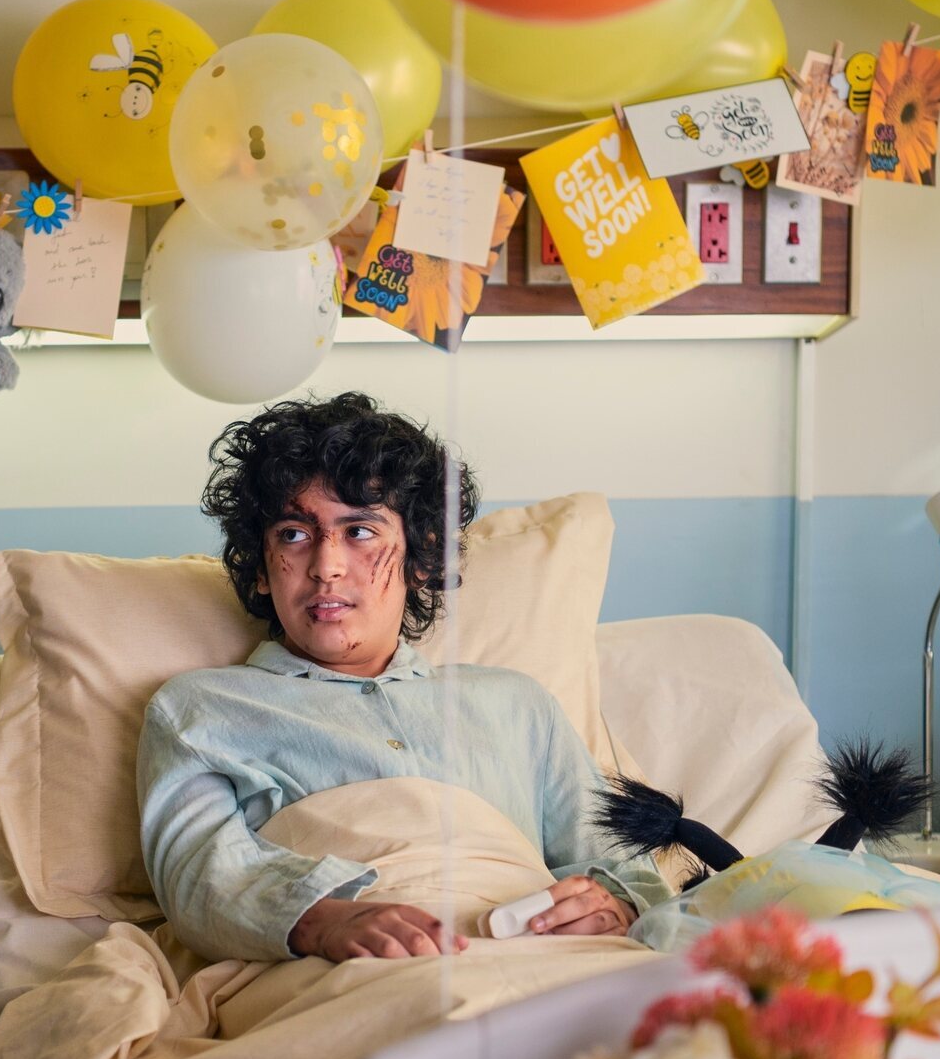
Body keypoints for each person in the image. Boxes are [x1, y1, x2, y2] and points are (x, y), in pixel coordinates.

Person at [137, 393, 667, 964]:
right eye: (293, 534)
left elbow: (626, 873)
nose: (326, 566)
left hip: (543, 957)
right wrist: (323, 923)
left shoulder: (518, 704)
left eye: (360, 531)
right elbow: (198, 877)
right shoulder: (199, 709)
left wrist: (614, 905)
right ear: (263, 569)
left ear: (419, 560)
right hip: (347, 970)